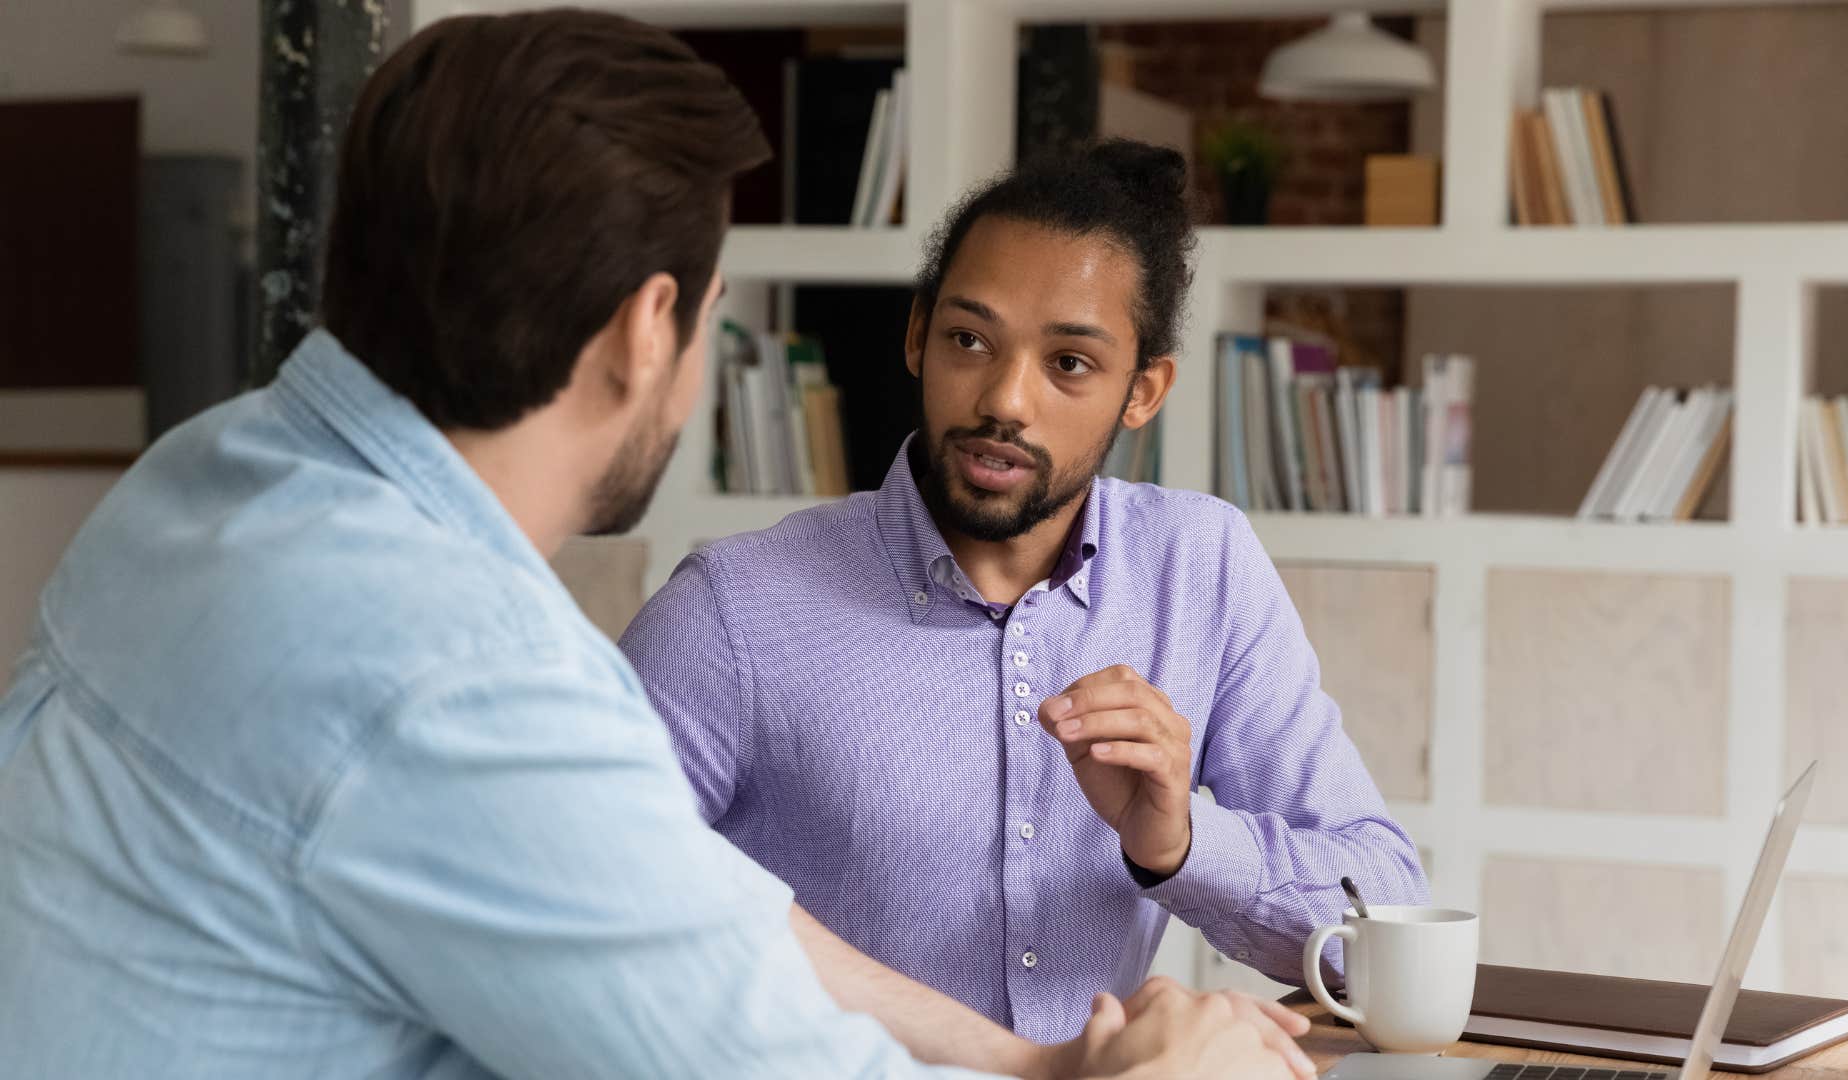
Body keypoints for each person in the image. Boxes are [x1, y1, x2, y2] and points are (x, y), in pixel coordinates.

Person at [0, 12, 1310, 1079]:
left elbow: (695, 915)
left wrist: (1036, 1069)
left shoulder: (215, 471)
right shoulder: (463, 683)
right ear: (649, 331)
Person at [622, 138, 1431, 1047]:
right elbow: (594, 921)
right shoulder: (731, 609)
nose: (1006, 399)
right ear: (918, 334)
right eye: (971, 340)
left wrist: (1179, 847)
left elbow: (1387, 925)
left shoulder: (1199, 567)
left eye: (1070, 364)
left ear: (1144, 391)